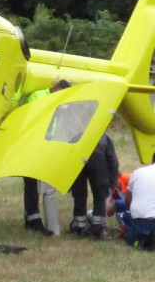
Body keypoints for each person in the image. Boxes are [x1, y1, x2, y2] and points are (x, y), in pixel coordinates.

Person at [22, 78, 71, 236]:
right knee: (31, 181)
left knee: (44, 183)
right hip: (34, 142)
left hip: (48, 142)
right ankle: (32, 218)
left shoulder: (59, 99)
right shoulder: (38, 95)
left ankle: (34, 217)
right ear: (56, 87)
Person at [68, 133, 119, 239]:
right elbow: (113, 161)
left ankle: (79, 225)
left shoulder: (75, 136)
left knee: (79, 195)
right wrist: (112, 180)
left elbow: (67, 156)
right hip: (97, 159)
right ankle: (97, 226)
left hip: (77, 160)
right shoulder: (104, 138)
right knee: (99, 194)